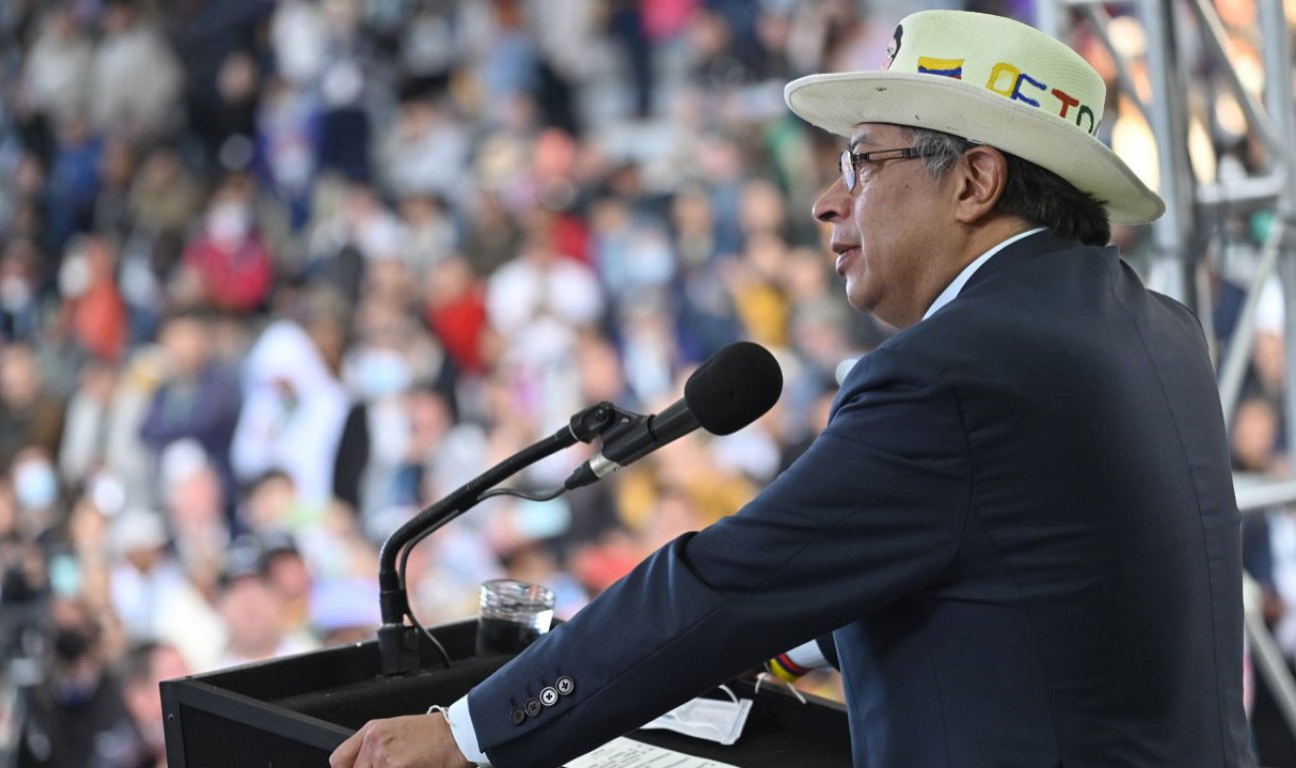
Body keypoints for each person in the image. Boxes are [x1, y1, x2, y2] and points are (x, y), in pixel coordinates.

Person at [331, 10, 1250, 768]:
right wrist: (789, 639)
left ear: (975, 181)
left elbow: (723, 583)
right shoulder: (1159, 330)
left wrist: (465, 734)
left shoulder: (953, 370)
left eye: (863, 163)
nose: (827, 201)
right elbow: (1022, 579)